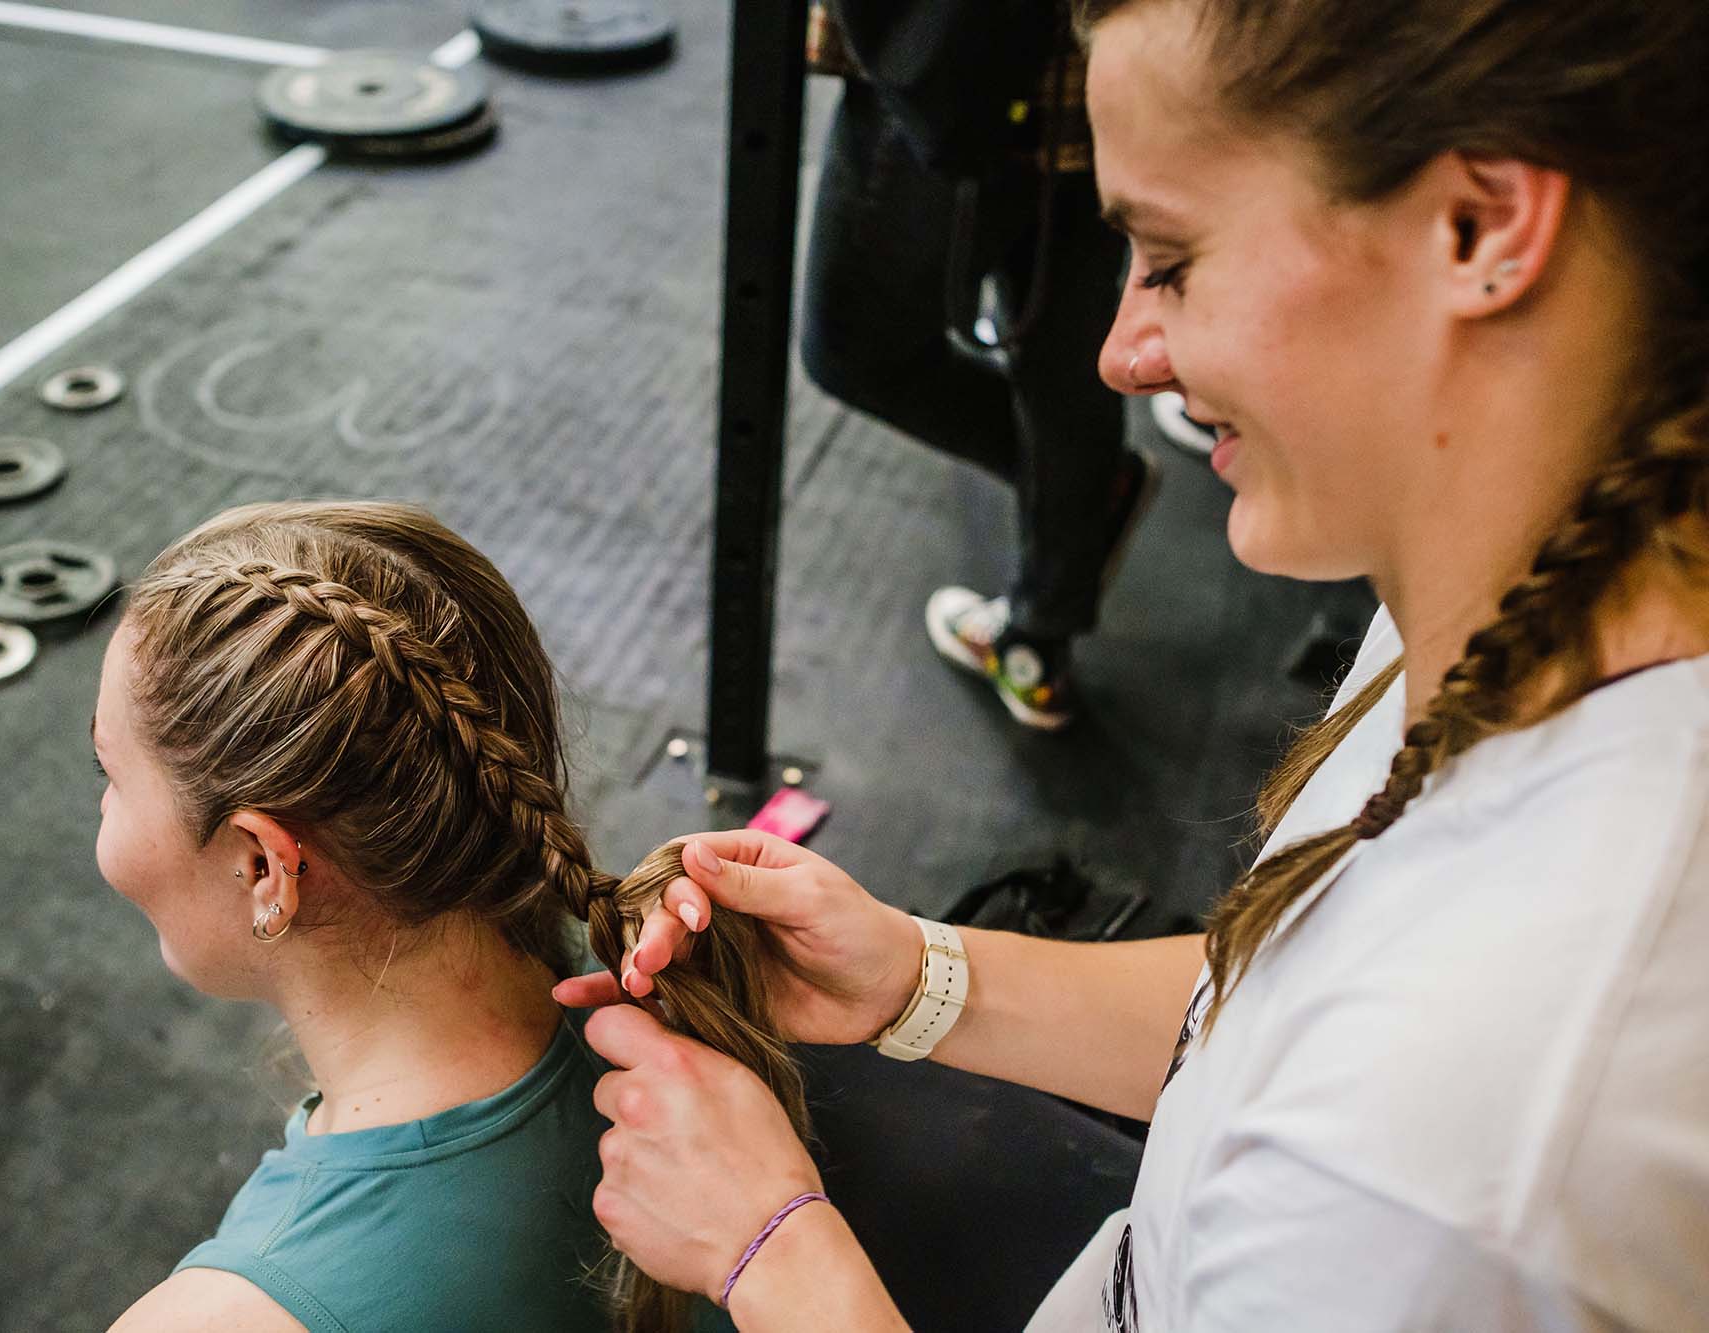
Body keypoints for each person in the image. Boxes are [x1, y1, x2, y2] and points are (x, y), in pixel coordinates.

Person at [557, 0, 1709, 1326]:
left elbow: (1351, 1100)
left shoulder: (1451, 1173)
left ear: (1479, 227)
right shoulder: (1536, 572)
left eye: (1170, 258)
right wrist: (920, 976)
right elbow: (1271, 1014)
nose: (1119, 354)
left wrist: (773, 1255)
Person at [91, 502, 736, 1333]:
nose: (102, 819)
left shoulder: (230, 1318)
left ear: (263, 867)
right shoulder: (681, 980)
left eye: (107, 771)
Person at [802, 0, 1155, 730]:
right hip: (1120, 68)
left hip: (957, 58)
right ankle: (1047, 621)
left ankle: (1080, 510)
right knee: (1069, 350)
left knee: (849, 349)